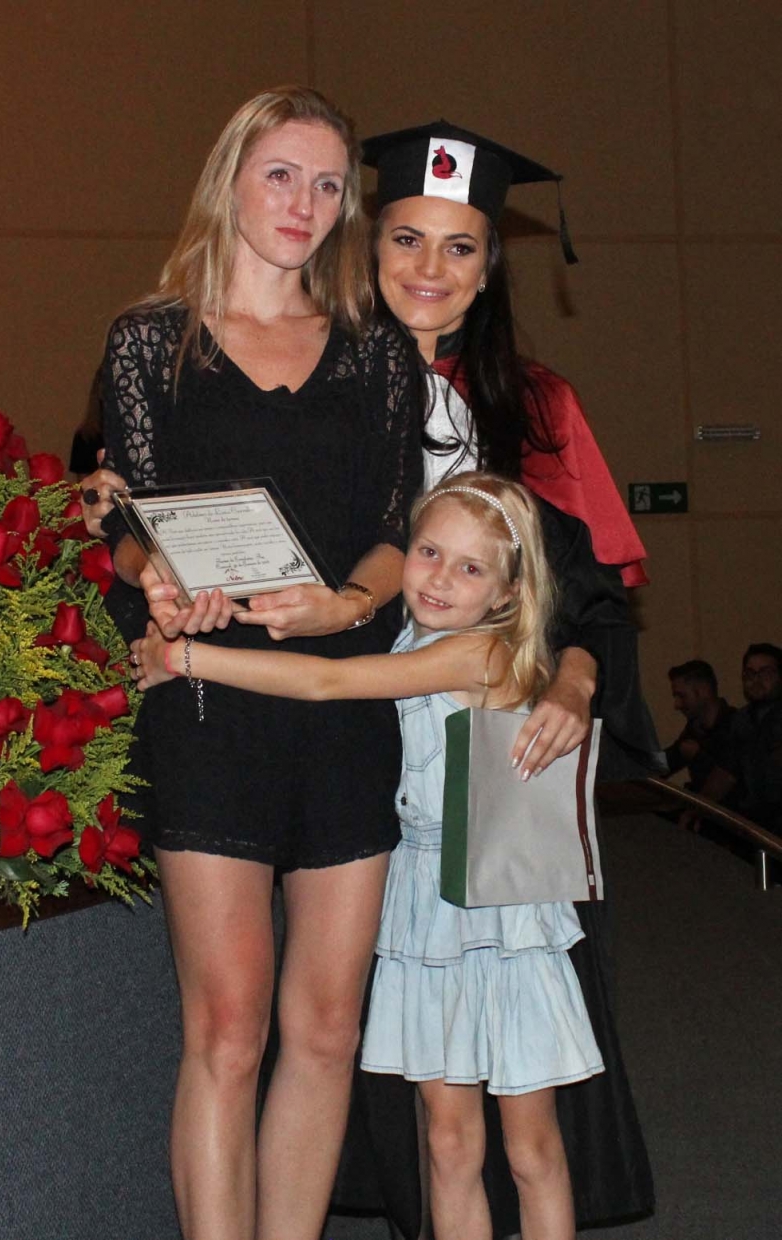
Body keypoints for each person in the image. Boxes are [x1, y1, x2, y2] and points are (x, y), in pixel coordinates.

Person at [93, 86, 422, 1240]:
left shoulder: (378, 354)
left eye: (327, 185)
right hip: (205, 704)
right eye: (281, 173)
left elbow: (396, 528)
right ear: (230, 177)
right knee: (227, 1030)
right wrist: (151, 571)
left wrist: (347, 602)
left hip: (341, 706)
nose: (304, 202)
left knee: (325, 1030)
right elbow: (123, 514)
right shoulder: (151, 341)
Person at [131, 471, 605, 1240]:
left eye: (470, 568)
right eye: (428, 552)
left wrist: (188, 659)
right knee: (447, 1141)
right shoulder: (409, 634)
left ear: (509, 593)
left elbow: (327, 680)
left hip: (496, 912)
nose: (439, 579)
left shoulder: (481, 653)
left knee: (530, 1148)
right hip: (424, 903)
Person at [347, 120, 661, 1236]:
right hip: (357, 751)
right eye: (407, 238)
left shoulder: (536, 408)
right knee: (403, 1050)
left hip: (495, 766)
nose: (429, 268)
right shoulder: (309, 388)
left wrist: (574, 677)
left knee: (524, 1064)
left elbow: (593, 593)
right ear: (367, 246)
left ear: (489, 269)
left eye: (461, 246)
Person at [697, 644, 782, 836]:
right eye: (750, 673)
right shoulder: (741, 720)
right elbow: (726, 771)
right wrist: (698, 807)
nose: (756, 680)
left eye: (765, 673)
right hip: (755, 821)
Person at [664, 660, 736, 792]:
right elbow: (667, 761)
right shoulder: (695, 728)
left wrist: (697, 756)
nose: (677, 705)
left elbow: (730, 782)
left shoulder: (737, 726)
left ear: (703, 691)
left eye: (681, 696)